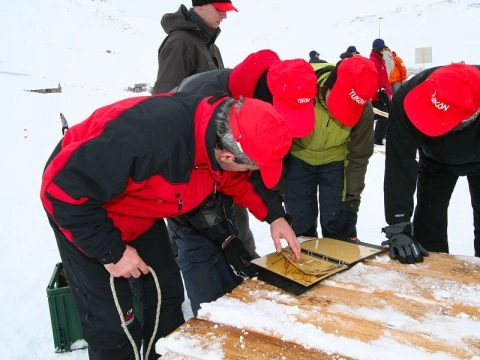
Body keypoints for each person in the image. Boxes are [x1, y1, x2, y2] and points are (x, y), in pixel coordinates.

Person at [41, 94, 301, 359]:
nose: (250, 171)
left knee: (166, 299)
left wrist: (274, 216)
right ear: (226, 155)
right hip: (84, 210)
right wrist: (112, 251)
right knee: (116, 325)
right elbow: (61, 189)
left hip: (139, 208)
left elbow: (236, 178)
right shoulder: (148, 137)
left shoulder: (219, 136)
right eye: (250, 165)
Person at [169, 49, 317, 315]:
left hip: (224, 176)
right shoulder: (203, 99)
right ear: (266, 98)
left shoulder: (254, 114)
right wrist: (223, 236)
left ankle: (237, 308)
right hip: (185, 190)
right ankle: (211, 319)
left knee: (236, 250)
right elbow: (188, 189)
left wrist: (274, 215)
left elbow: (249, 174)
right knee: (200, 251)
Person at [381, 63, 480, 292]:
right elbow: (399, 163)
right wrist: (398, 224)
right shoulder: (408, 96)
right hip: (435, 160)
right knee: (428, 223)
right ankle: (431, 283)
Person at [285, 56, 378, 241]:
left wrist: (351, 199)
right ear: (329, 84)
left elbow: (359, 155)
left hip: (336, 161)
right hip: (298, 157)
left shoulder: (363, 107)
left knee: (338, 222)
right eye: (339, 101)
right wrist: (281, 182)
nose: (340, 112)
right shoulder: (301, 87)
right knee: (300, 221)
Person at [151, 0, 237, 94]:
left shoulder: (212, 47)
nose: (224, 16)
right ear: (200, 5)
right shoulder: (179, 42)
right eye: (219, 9)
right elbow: (165, 99)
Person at [369, 38, 393, 145]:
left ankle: (382, 136)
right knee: (384, 115)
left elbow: (384, 78)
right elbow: (373, 78)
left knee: (385, 115)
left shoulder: (380, 59)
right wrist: (376, 91)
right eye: (383, 48)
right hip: (377, 95)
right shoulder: (374, 61)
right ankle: (376, 139)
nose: (384, 50)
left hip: (383, 93)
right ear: (378, 49)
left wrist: (389, 93)